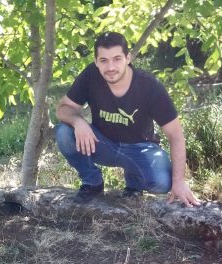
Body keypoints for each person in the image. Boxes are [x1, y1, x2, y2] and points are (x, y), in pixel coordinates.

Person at [55, 32, 200, 207]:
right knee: (64, 132)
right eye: (104, 60)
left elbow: (176, 135)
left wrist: (179, 182)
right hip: (103, 144)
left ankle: (134, 183)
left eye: (117, 59)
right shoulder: (91, 75)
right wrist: (79, 122)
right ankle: (92, 182)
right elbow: (63, 108)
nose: (110, 67)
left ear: (128, 58)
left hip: (140, 148)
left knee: (162, 183)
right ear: (96, 61)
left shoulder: (149, 86)